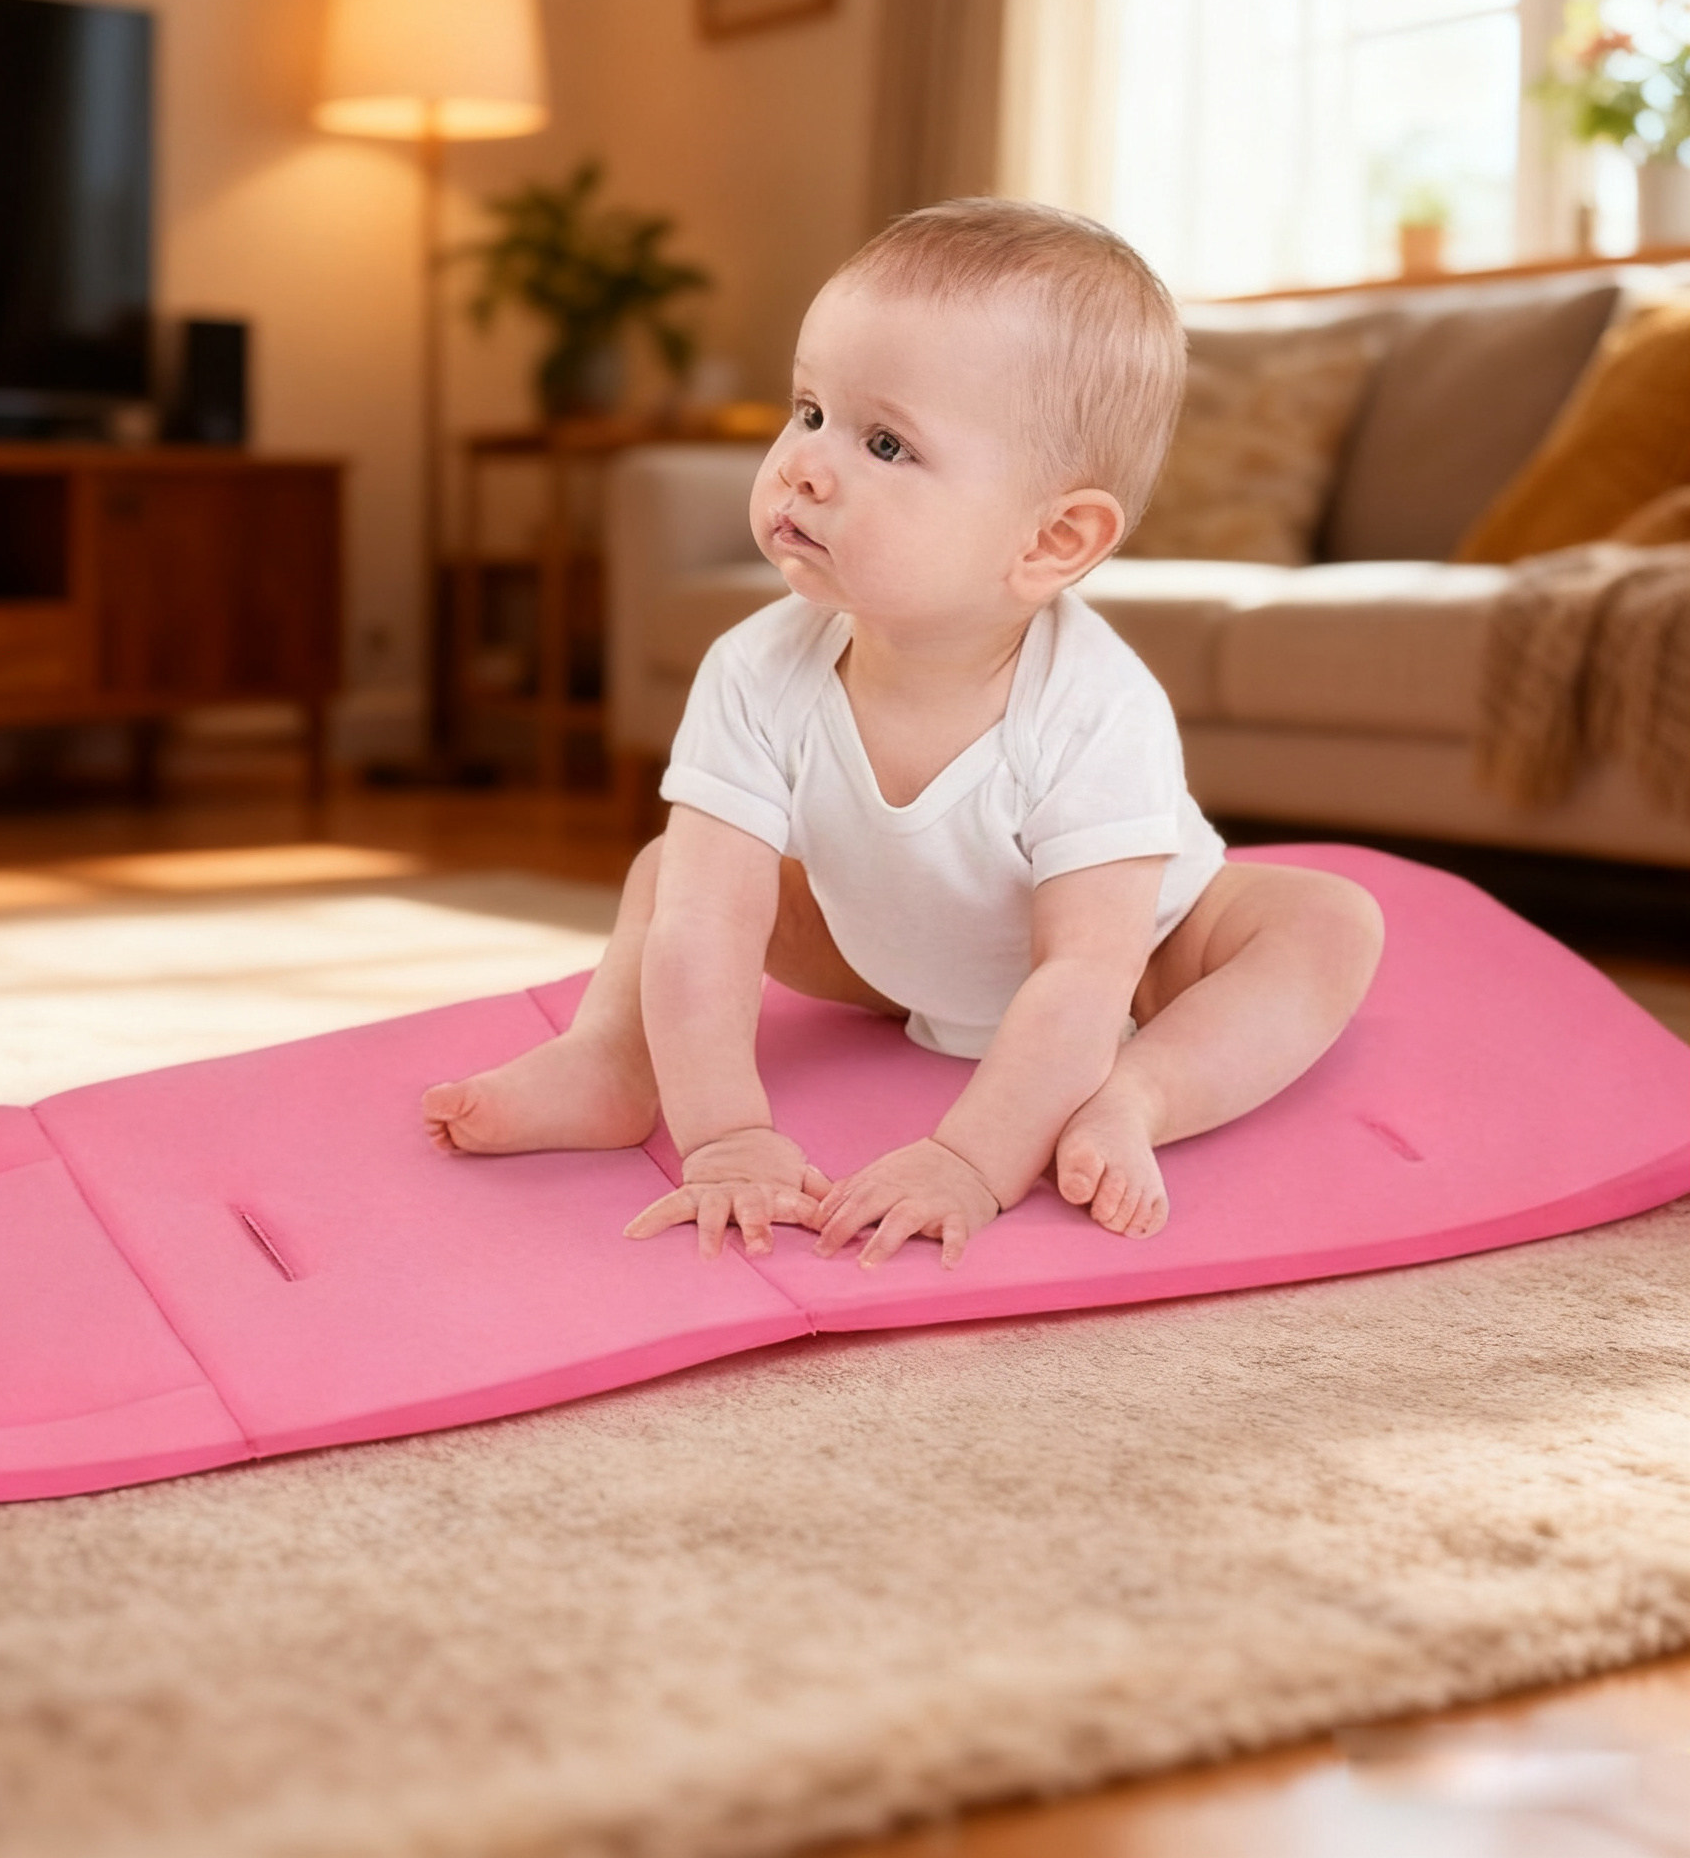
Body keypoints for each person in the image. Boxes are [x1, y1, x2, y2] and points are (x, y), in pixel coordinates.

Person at [421, 199, 1384, 1268]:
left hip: (1136, 969)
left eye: (884, 442)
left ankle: (1137, 1095)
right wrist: (726, 1136)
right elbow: (703, 929)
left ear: (1051, 539)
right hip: (880, 949)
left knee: (1327, 923)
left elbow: (1081, 973)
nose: (804, 464)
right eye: (808, 409)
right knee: (676, 878)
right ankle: (610, 1059)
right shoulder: (753, 668)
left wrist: (970, 1162)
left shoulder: (1096, 707)